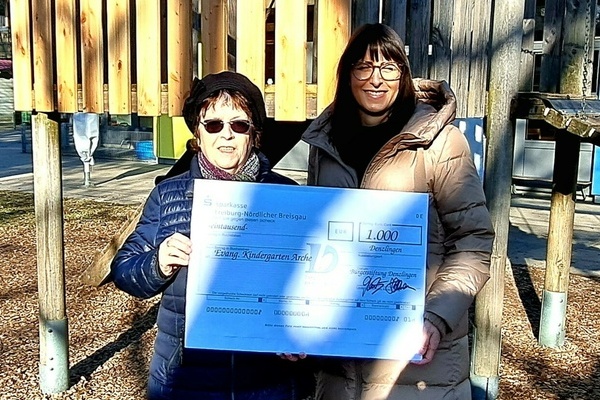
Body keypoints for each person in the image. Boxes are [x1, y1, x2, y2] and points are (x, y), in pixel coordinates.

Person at [299, 23, 495, 399]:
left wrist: (437, 316)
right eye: (363, 66)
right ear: (347, 74)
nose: (376, 79)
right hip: (340, 357)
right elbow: (314, 236)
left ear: (403, 74)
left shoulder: (439, 143)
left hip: (417, 355)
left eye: (389, 67)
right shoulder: (324, 144)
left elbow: (473, 239)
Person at [110, 71, 314, 400]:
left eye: (239, 124)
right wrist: (158, 261)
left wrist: (303, 334)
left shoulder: (288, 196)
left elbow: (314, 283)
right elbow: (125, 271)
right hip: (188, 378)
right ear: (198, 132)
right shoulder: (168, 195)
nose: (227, 136)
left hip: (269, 379)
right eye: (214, 124)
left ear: (254, 133)